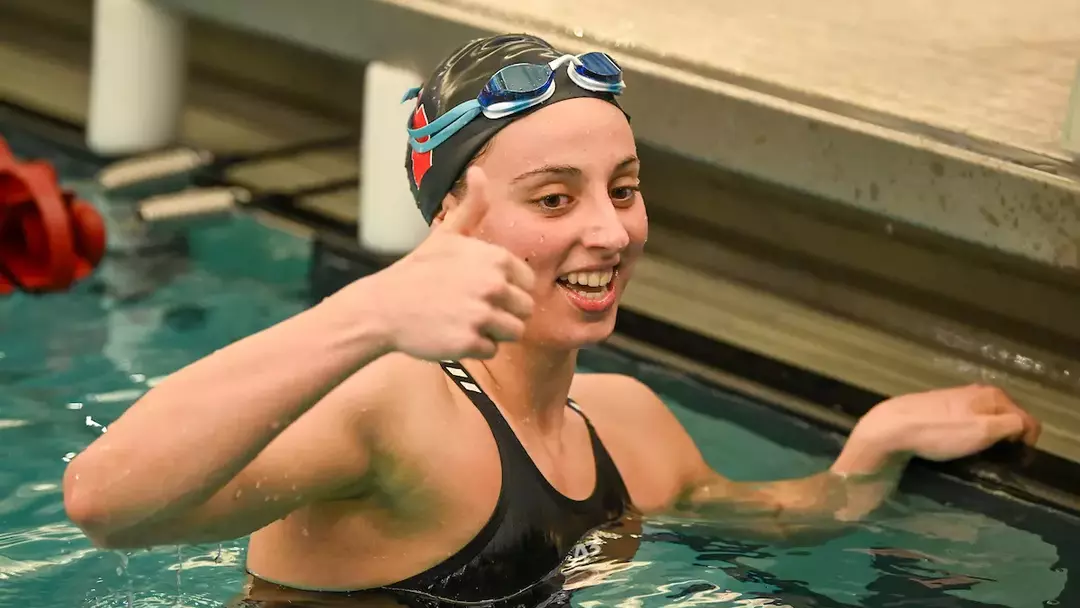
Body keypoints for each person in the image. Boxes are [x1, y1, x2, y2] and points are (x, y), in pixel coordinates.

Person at [62, 34, 1040, 606]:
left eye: (623, 188)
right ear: (454, 214)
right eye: (555, 198)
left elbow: (780, 519)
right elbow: (104, 503)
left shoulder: (625, 422)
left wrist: (869, 452)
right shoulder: (393, 406)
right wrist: (367, 309)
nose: (611, 230)